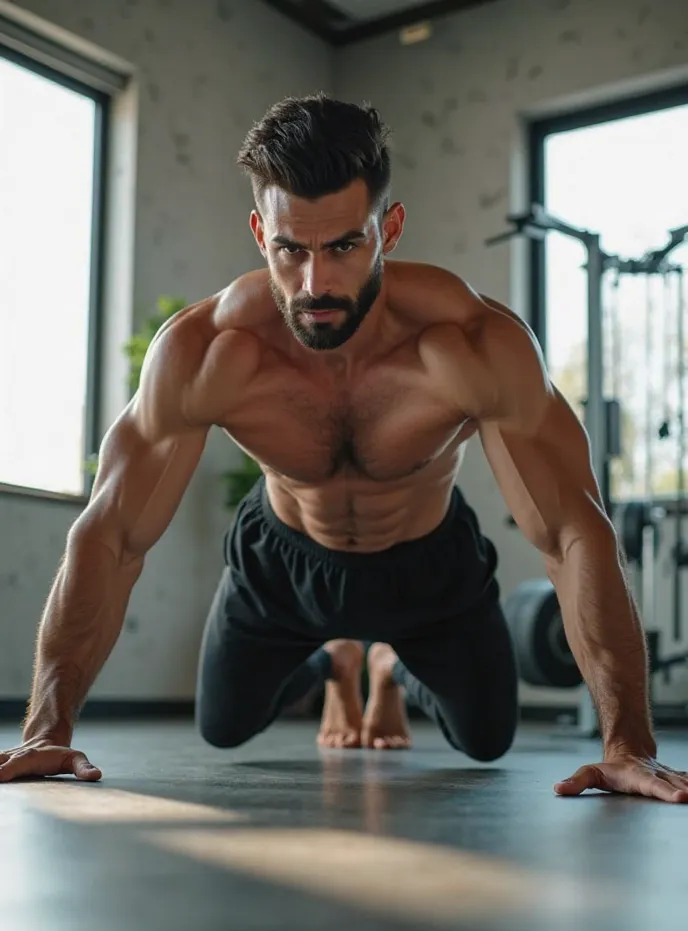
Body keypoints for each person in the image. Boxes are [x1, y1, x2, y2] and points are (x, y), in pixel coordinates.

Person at [1, 94, 686, 804]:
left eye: (343, 247)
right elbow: (110, 534)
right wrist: (47, 728)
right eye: (289, 249)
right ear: (259, 230)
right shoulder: (209, 353)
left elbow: (575, 532)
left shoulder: (473, 346)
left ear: (387, 228)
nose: (315, 283)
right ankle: (335, 663)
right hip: (281, 559)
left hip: (431, 565)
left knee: (486, 739)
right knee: (224, 726)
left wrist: (628, 746)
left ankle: (387, 666)